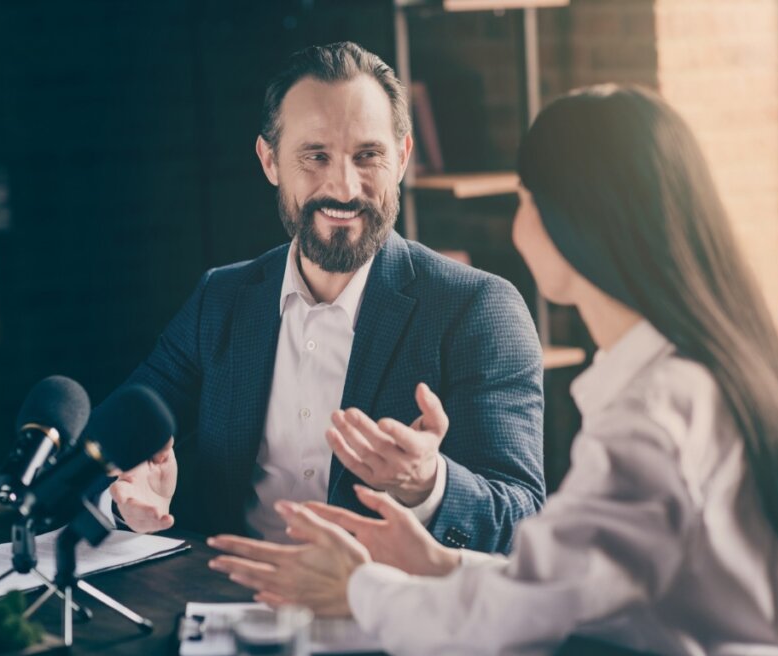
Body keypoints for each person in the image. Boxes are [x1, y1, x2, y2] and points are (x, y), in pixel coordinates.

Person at [207, 84, 778, 656]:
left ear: (580, 221)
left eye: (527, 200)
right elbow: (577, 579)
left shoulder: (655, 412)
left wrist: (354, 588)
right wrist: (439, 563)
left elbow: (522, 618)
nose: (519, 221)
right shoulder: (700, 372)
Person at [103, 42, 546, 554]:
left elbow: (521, 520)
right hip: (226, 602)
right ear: (270, 160)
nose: (344, 185)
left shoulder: (479, 310)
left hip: (382, 617)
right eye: (316, 156)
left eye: (367, 156)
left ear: (401, 158)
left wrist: (430, 485)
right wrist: (123, 485)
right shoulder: (219, 299)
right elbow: (113, 439)